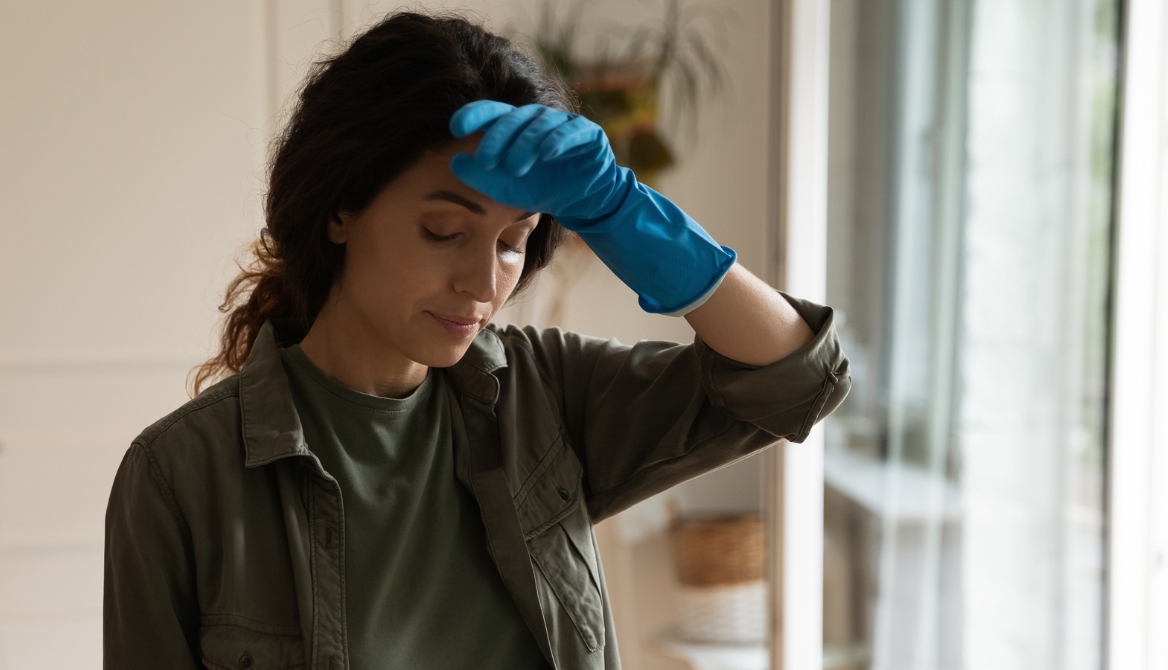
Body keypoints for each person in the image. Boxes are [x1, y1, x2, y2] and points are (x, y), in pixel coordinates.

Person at [103, 10, 850, 670]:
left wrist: (622, 208)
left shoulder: (545, 398)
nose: (483, 282)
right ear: (340, 210)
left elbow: (796, 376)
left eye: (513, 241)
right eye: (444, 231)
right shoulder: (178, 478)